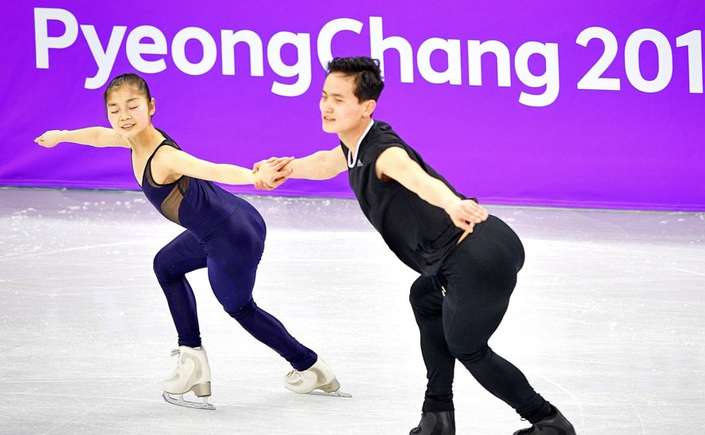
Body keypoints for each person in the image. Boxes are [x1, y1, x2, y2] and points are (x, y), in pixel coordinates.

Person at [254, 57, 575, 434]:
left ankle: (548, 421)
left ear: (366, 106)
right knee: (424, 297)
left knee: (468, 348)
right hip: (466, 251)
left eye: (339, 99)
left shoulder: (384, 152)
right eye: (325, 96)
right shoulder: (354, 147)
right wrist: (285, 168)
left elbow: (417, 178)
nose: (327, 106)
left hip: (474, 254)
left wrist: (453, 204)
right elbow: (327, 163)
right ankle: (437, 415)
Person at [34, 73, 348, 410]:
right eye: (114, 109)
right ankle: (192, 358)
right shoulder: (132, 139)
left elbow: (211, 169)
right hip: (227, 223)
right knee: (166, 265)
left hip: (233, 236)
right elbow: (98, 136)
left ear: (150, 107)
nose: (123, 115)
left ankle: (310, 366)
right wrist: (62, 136)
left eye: (132, 106)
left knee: (240, 307)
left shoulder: (163, 157)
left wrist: (253, 176)